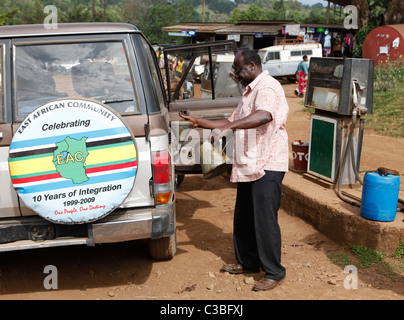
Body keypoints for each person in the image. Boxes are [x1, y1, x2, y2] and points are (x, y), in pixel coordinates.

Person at [181, 49, 289, 291]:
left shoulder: (267, 87)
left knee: (264, 220)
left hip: (267, 164)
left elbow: (264, 115)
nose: (236, 74)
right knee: (244, 217)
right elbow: (229, 121)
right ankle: (249, 262)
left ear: (251, 66)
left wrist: (230, 127)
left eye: (239, 69)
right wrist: (200, 122)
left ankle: (274, 271)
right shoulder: (249, 92)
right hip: (250, 164)